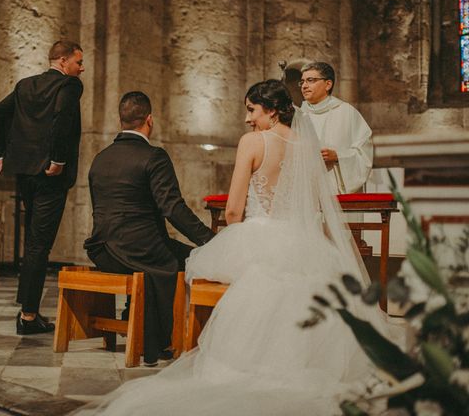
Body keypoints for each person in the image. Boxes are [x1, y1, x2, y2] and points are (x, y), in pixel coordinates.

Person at [76, 80, 388, 415]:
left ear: (270, 109)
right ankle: (169, 339)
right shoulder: (307, 147)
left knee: (208, 271)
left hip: (238, 236)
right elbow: (314, 206)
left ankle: (181, 342)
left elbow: (234, 211)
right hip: (303, 240)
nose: (247, 119)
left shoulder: (252, 142)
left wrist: (227, 240)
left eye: (251, 110)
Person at [84, 91, 215, 367]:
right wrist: (209, 240)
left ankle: (140, 321)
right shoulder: (154, 156)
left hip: (101, 250)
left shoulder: (100, 158)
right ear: (150, 120)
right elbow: (173, 209)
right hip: (139, 251)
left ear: (121, 120)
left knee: (165, 252)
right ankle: (170, 339)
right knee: (194, 259)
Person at [0, 40, 84, 335]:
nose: (81, 68)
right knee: (39, 244)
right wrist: (58, 160)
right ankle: (28, 316)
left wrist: (0, 154)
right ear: (63, 61)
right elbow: (62, 121)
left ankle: (28, 310)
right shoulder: (69, 86)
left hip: (25, 174)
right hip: (50, 176)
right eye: (79, 62)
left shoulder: (25, 85)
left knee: (33, 242)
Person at [299, 62, 373, 194]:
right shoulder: (298, 116)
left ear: (328, 84)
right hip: (306, 193)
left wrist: (338, 157)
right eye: (302, 81)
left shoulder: (347, 113)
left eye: (310, 80)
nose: (304, 86)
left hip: (339, 195)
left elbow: (365, 156)